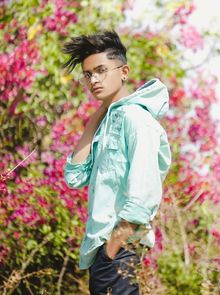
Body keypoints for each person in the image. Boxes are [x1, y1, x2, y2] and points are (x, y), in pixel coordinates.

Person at [63, 30, 171, 295]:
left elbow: (144, 194)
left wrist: (112, 250)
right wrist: (97, 116)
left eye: (101, 70)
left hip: (119, 249)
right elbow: (74, 176)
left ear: (124, 71)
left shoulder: (136, 120)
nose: (94, 80)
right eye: (88, 74)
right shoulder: (109, 120)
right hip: (102, 250)